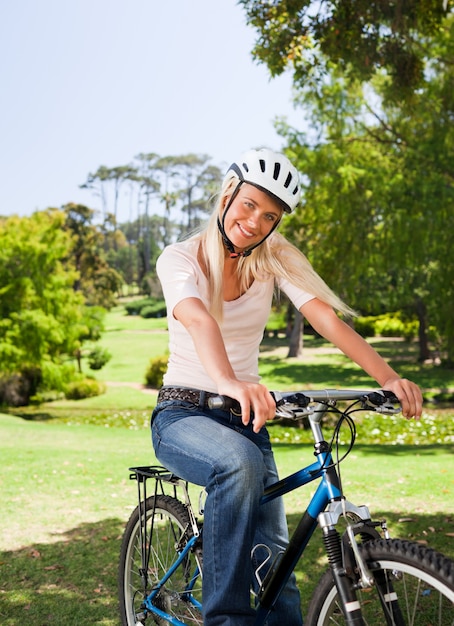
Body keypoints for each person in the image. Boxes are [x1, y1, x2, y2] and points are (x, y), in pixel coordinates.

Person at [151, 148, 423, 626]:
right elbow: (196, 318)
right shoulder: (180, 258)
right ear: (228, 195)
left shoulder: (273, 259)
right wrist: (228, 381)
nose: (255, 221)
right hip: (184, 413)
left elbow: (326, 320)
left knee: (274, 557)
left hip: (247, 416)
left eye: (269, 215)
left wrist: (388, 378)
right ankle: (226, 621)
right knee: (238, 463)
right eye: (249, 204)